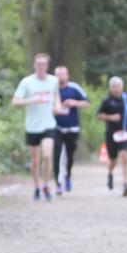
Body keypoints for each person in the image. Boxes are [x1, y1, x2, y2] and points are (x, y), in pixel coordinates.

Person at [12, 53, 59, 201]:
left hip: (48, 125)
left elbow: (56, 96)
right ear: (34, 65)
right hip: (32, 126)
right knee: (35, 159)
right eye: (38, 64)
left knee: (46, 155)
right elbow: (15, 102)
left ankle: (46, 185)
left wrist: (57, 105)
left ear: (47, 66)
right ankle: (37, 186)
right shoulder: (27, 82)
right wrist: (32, 100)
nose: (40, 66)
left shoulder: (54, 81)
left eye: (43, 64)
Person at [95, 76, 127, 197]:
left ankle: (126, 184)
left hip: (124, 132)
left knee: (125, 156)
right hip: (111, 134)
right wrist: (110, 117)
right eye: (113, 86)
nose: (116, 88)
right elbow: (98, 115)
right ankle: (110, 172)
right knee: (113, 160)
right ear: (110, 88)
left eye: (118, 85)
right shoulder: (107, 101)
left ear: (122, 87)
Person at [52, 65, 89, 194]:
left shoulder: (74, 88)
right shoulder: (51, 88)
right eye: (58, 74)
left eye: (63, 74)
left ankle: (68, 175)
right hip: (55, 127)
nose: (60, 76)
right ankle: (57, 183)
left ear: (67, 75)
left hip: (72, 128)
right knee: (56, 155)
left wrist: (74, 103)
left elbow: (87, 103)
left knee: (70, 155)